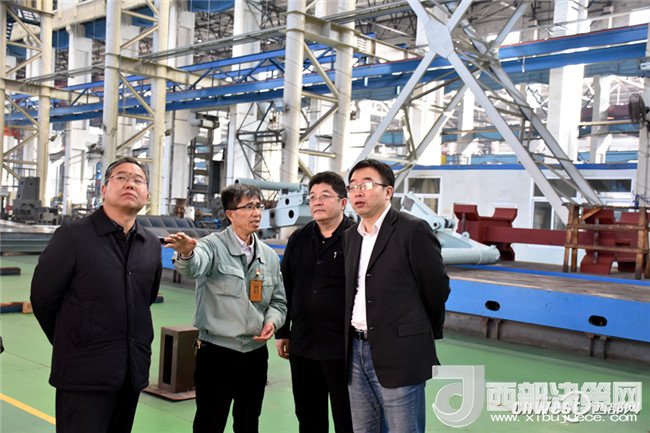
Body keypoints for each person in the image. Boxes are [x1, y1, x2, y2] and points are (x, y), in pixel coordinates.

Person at [31, 157, 162, 433]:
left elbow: (145, 299)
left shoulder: (150, 243)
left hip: (131, 372)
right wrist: (75, 341)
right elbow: (43, 299)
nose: (130, 184)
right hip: (83, 375)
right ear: (104, 189)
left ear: (147, 195)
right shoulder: (73, 236)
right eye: (121, 177)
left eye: (138, 180)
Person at [164, 183, 286, 433]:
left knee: (248, 422)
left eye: (258, 206)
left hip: (255, 354)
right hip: (217, 354)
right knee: (210, 422)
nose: (256, 213)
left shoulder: (269, 256)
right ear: (230, 214)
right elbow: (194, 265)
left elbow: (278, 301)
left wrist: (272, 321)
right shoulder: (211, 246)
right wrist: (186, 254)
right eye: (248, 207)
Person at [343, 159, 451, 433]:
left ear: (388, 191)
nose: (358, 192)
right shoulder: (351, 236)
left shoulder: (412, 230)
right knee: (363, 429)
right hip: (355, 350)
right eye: (352, 186)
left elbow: (437, 287)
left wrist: (416, 330)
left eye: (367, 184)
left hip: (400, 351)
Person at [275, 171, 354, 433]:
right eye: (312, 197)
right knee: (308, 417)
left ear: (343, 202)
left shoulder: (357, 239)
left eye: (325, 196)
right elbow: (286, 286)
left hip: (344, 348)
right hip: (304, 345)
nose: (317, 201)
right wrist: (283, 331)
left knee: (348, 418)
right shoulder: (299, 238)